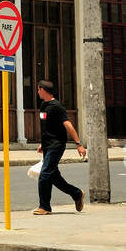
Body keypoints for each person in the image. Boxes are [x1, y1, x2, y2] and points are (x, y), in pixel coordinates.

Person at [33, 79, 85, 215]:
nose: (37, 92)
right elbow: (46, 127)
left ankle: (44, 207)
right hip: (48, 146)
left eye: (38, 89)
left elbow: (68, 125)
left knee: (44, 175)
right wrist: (42, 145)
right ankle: (77, 194)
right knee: (54, 176)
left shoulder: (57, 106)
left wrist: (78, 144)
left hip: (57, 145)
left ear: (42, 89)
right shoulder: (43, 105)